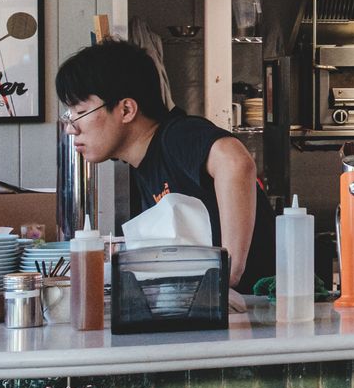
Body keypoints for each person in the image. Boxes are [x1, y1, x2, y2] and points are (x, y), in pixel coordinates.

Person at [56, 39, 277, 294]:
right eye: (69, 116)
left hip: (260, 304)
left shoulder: (176, 136)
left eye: (79, 112)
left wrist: (230, 269)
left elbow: (236, 162)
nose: (71, 128)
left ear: (126, 109)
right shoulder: (144, 166)